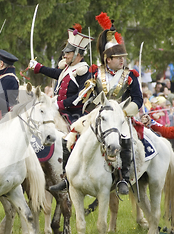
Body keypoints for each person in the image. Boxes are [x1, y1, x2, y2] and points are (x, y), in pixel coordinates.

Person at [60, 12, 143, 195]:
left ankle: (123, 177)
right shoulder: (95, 73)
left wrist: (125, 113)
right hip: (98, 115)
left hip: (120, 116)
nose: (123, 60)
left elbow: (138, 99)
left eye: (123, 57)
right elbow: (89, 95)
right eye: (119, 57)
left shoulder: (130, 76)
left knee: (126, 138)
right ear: (108, 59)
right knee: (70, 135)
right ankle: (66, 177)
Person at [29, 24, 93, 192]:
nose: (65, 55)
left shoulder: (83, 71)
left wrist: (59, 104)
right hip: (59, 109)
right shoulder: (68, 68)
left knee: (69, 138)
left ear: (78, 55)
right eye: (65, 52)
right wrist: (38, 67)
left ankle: (66, 176)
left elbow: (81, 96)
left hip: (74, 112)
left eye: (68, 53)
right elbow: (54, 73)